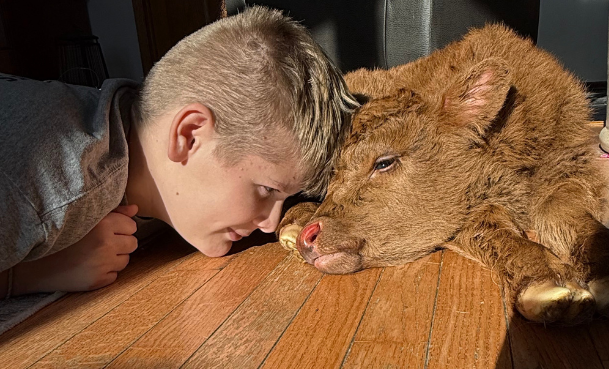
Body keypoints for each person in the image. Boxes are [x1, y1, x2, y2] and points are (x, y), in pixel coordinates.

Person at [0, 6, 356, 299]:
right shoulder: (49, 182)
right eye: (266, 190)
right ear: (188, 136)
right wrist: (30, 274)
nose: (270, 223)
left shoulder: (133, 127)